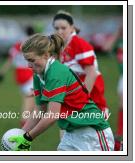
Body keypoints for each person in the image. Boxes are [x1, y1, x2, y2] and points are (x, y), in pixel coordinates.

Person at [8, 33, 114, 151]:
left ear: (46, 55)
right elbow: (40, 110)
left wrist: (28, 137)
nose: (28, 65)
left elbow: (52, 115)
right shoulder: (38, 74)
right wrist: (20, 134)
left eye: (32, 60)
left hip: (92, 132)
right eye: (26, 61)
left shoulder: (56, 73)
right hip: (71, 134)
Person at [52, 10, 109, 138]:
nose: (59, 31)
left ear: (72, 28)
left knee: (95, 145)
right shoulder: (63, 47)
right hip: (73, 103)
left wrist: (80, 101)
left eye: (63, 28)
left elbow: (92, 74)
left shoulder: (78, 43)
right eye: (56, 28)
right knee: (66, 142)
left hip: (91, 103)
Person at [0, 26, 35, 126]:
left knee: (30, 101)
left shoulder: (17, 45)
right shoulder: (33, 44)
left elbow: (10, 61)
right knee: (29, 103)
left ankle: (29, 123)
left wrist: (1, 73)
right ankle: (23, 126)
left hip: (19, 75)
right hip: (29, 74)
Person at [103, 26, 123, 151]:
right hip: (123, 76)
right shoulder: (120, 41)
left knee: (123, 103)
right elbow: (106, 47)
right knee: (122, 104)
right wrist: (117, 32)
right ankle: (121, 133)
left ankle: (122, 133)